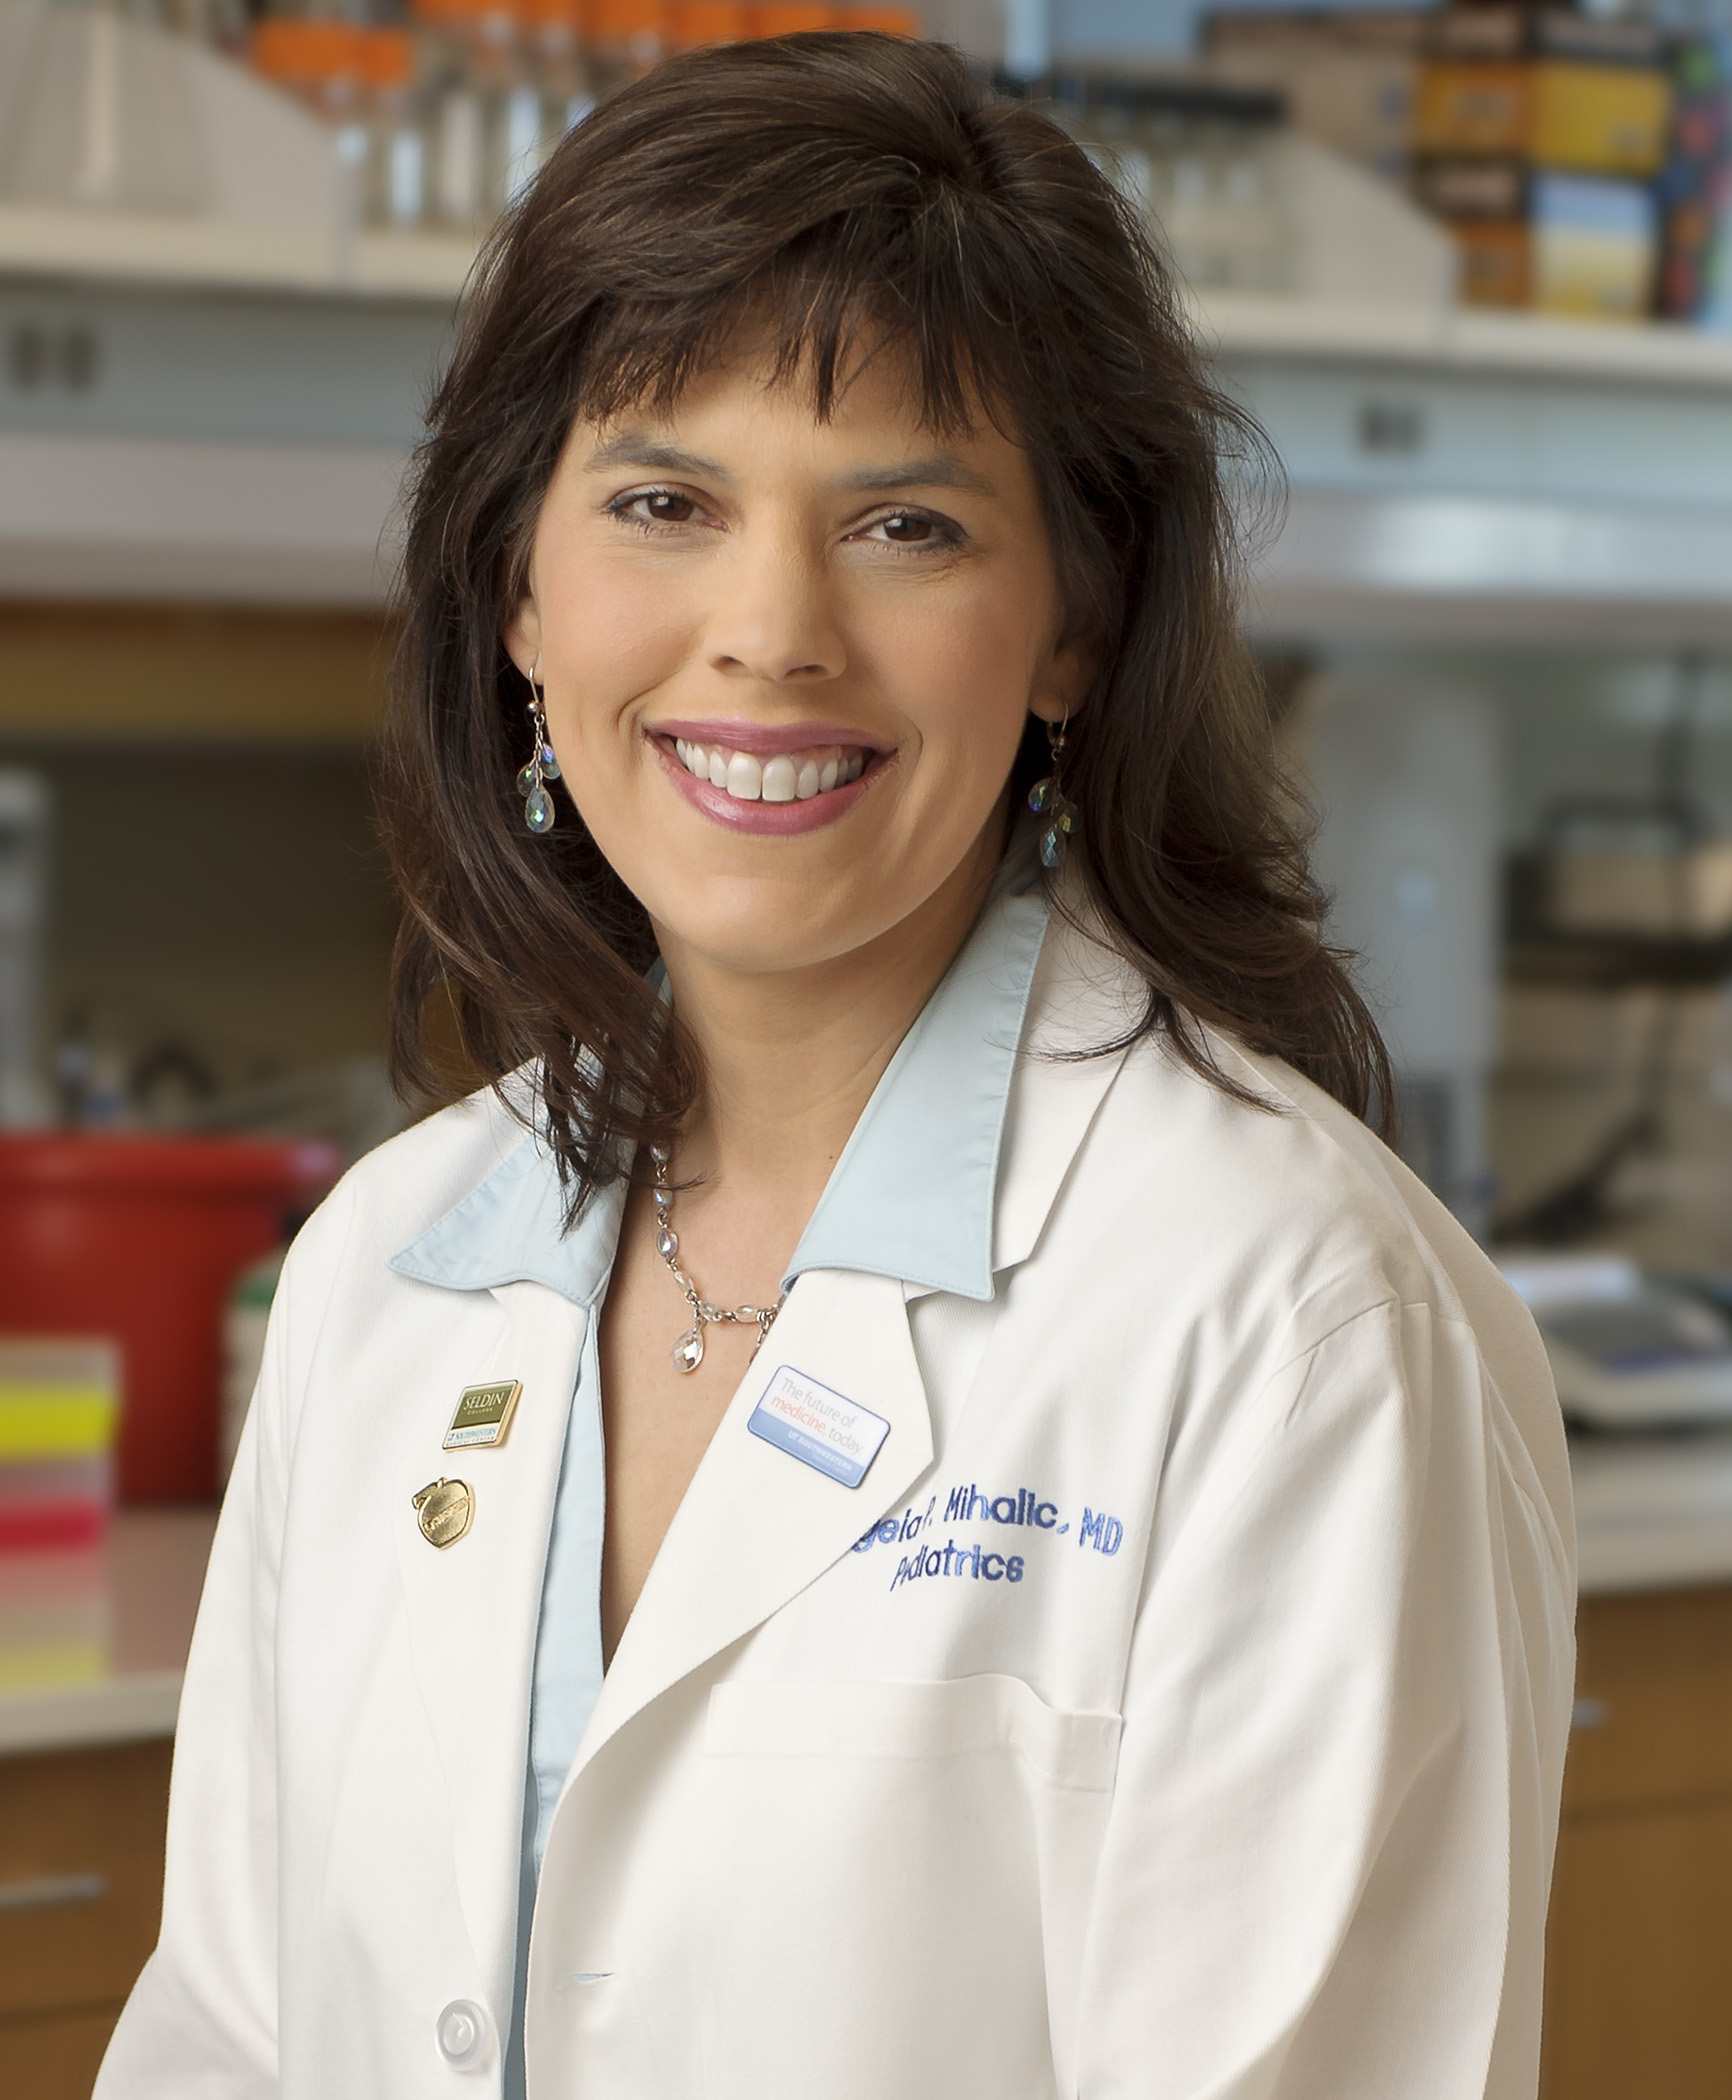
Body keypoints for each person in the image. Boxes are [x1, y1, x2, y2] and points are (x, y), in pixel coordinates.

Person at [97, 32, 1574, 2100]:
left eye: (903, 522)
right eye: (660, 501)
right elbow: (230, 2048)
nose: (770, 630)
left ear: (1071, 626)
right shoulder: (390, 1264)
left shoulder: (1290, 1323)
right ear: (519, 590)